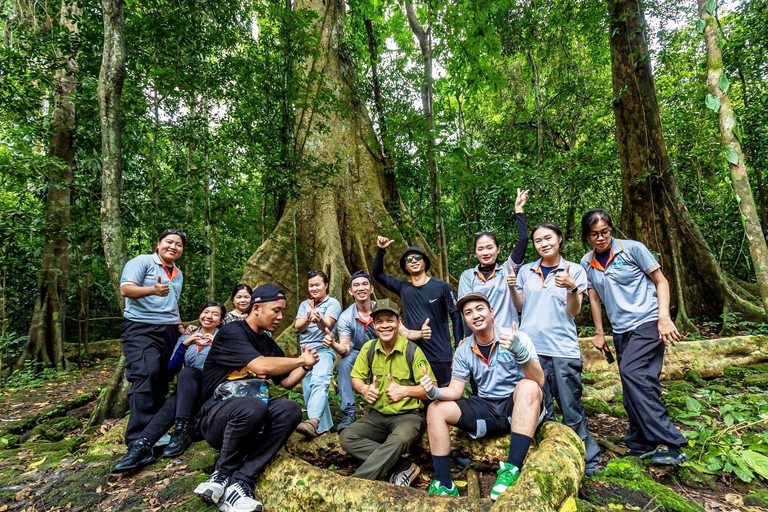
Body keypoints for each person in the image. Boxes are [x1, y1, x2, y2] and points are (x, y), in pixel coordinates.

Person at [192, 284, 320, 512]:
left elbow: (286, 381)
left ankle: (240, 482)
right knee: (252, 406)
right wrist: (300, 360)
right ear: (257, 308)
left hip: (253, 417)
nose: (280, 317)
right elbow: (259, 364)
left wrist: (307, 365)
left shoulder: (268, 343)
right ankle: (220, 475)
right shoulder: (233, 332)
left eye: (282, 311)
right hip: (217, 418)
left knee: (290, 409)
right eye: (276, 310)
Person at [580, 209, 687, 466]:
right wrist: (599, 332)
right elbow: (594, 298)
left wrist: (664, 317)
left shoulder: (633, 249)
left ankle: (673, 443)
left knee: (631, 372)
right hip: (621, 329)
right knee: (638, 384)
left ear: (611, 229)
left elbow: (662, 282)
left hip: (648, 322)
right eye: (594, 234)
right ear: (588, 236)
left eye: (605, 232)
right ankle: (641, 443)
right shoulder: (587, 262)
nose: (601, 238)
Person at [421, 292, 544, 500]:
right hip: (486, 407)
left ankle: (511, 470)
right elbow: (456, 390)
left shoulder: (516, 337)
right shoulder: (464, 349)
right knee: (435, 408)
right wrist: (435, 392)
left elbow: (538, 380)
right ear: (465, 320)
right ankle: (444, 483)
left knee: (529, 386)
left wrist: (521, 354)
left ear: (491, 312)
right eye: (468, 313)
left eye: (480, 309)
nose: (475, 315)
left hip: (517, 405)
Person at [510, 222, 600, 475]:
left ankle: (586, 456)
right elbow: (520, 307)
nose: (543, 244)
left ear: (559, 239)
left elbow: (574, 311)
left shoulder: (575, 270)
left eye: (548, 238)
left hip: (562, 348)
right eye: (538, 241)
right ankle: (551, 456)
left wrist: (571, 286)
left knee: (571, 406)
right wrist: (510, 286)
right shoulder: (527, 271)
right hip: (533, 350)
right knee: (542, 407)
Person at [111, 301, 226, 473]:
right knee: (181, 386)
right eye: (206, 311)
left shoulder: (224, 337)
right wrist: (185, 345)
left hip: (211, 387)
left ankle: (173, 433)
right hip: (189, 389)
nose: (209, 316)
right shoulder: (186, 336)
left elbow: (230, 364)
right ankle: (142, 446)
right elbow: (171, 368)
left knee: (187, 375)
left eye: (215, 314)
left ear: (221, 320)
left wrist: (215, 345)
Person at [339, 299, 436, 486]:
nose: (385, 326)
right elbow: (356, 379)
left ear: (399, 322)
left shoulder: (412, 350)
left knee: (399, 438)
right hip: (377, 417)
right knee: (347, 437)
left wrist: (405, 391)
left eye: (389, 320)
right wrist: (364, 389)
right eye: (380, 321)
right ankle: (403, 466)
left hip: (408, 416)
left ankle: (356, 483)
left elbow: (431, 387)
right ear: (373, 325)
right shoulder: (369, 349)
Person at [119, 229, 186, 449]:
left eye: (179, 244)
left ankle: (155, 431)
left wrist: (179, 326)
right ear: (158, 244)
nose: (173, 247)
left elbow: (173, 301)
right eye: (169, 242)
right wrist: (152, 290)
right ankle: (137, 436)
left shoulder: (177, 272)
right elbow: (126, 290)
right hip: (140, 326)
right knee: (145, 373)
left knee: (162, 376)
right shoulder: (142, 262)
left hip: (168, 329)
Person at [373, 238, 462, 386]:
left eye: (418, 257)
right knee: (418, 395)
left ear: (425, 262)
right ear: (406, 267)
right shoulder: (403, 288)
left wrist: (458, 348)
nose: (413, 261)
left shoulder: (442, 287)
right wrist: (381, 250)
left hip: (439, 354)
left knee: (443, 394)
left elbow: (456, 315)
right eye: (409, 259)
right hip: (412, 352)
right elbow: (378, 275)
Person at [458, 188, 530, 329]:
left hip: (507, 336)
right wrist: (467, 339)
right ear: (475, 252)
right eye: (480, 249)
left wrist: (519, 210)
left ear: (498, 249)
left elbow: (524, 239)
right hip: (480, 337)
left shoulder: (508, 269)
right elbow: (466, 309)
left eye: (489, 247)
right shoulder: (468, 276)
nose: (485, 252)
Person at [327, 270, 378, 431]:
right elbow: (346, 349)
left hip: (383, 352)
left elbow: (401, 333)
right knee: (344, 364)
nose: (360, 288)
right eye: (356, 285)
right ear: (350, 291)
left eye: (364, 284)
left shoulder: (383, 308)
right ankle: (349, 412)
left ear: (371, 289)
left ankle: (383, 410)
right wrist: (334, 343)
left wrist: (419, 333)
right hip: (358, 354)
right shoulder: (346, 317)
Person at [294, 270, 342, 437]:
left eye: (317, 285)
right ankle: (324, 430)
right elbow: (297, 328)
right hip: (305, 352)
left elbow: (327, 325)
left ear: (326, 285)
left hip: (323, 350)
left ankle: (313, 422)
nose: (314, 288)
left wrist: (319, 319)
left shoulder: (333, 303)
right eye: (311, 285)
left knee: (320, 383)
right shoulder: (304, 305)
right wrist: (307, 319)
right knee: (308, 389)